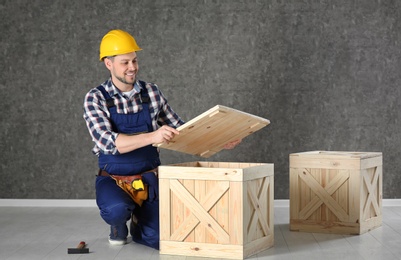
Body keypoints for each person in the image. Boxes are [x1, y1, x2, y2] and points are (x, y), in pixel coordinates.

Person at [83, 29, 241, 250]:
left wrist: (219, 139)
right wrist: (153, 136)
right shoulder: (96, 98)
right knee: (116, 209)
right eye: (125, 62)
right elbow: (108, 142)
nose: (132, 67)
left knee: (162, 239)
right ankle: (118, 225)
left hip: (149, 180)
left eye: (135, 61)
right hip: (114, 180)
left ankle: (141, 221)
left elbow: (181, 130)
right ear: (108, 64)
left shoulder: (151, 92)